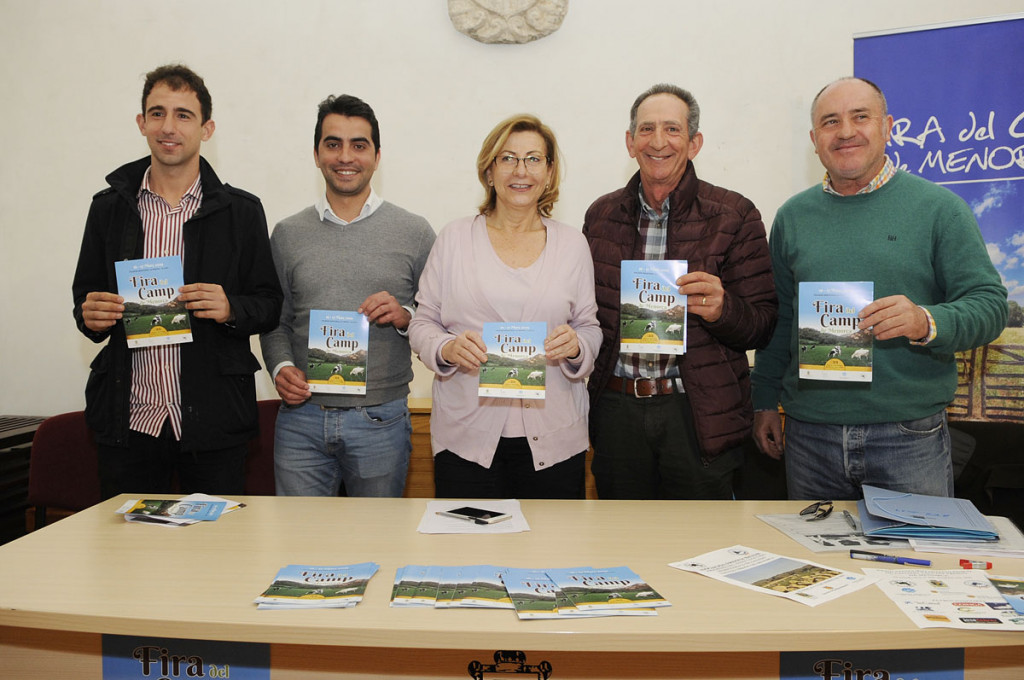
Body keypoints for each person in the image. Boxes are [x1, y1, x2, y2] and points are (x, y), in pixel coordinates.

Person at [751, 77, 1009, 500]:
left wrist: (925, 320)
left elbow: (990, 305)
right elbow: (779, 318)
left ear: (887, 126)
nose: (846, 131)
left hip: (908, 438)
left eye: (860, 117)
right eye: (831, 122)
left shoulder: (939, 209)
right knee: (819, 565)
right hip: (809, 435)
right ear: (815, 140)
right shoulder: (793, 216)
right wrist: (763, 401)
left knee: (917, 565)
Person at [72, 64, 283, 499]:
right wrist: (90, 315)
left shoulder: (241, 212)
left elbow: (269, 303)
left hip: (214, 422)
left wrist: (231, 308)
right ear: (141, 122)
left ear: (206, 129)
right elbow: (84, 301)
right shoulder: (108, 208)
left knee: (215, 555)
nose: (169, 127)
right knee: (127, 554)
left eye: (184, 115)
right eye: (157, 113)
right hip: (129, 419)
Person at [584, 84, 778, 500]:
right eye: (646, 129)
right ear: (629, 142)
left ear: (694, 143)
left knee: (702, 550)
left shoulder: (735, 214)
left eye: (672, 129)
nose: (658, 142)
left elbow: (763, 324)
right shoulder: (600, 217)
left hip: (697, 413)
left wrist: (724, 310)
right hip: (617, 409)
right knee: (621, 542)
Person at [409, 114, 601, 499]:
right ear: (489, 170)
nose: (521, 170)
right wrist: (445, 348)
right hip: (466, 439)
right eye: (508, 158)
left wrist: (577, 345)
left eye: (533, 159)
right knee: (468, 554)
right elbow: (423, 321)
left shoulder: (572, 244)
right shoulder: (454, 238)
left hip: (555, 440)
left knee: (553, 555)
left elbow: (589, 326)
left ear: (549, 173)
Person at [260, 94, 435, 497]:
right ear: (317, 153)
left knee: (377, 544)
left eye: (359, 145)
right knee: (300, 546)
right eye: (333, 143)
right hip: (300, 420)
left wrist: (406, 314)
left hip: (381, 420)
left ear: (376, 155)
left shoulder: (415, 232)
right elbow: (275, 323)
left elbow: (441, 317)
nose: (346, 156)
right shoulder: (288, 234)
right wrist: (280, 367)